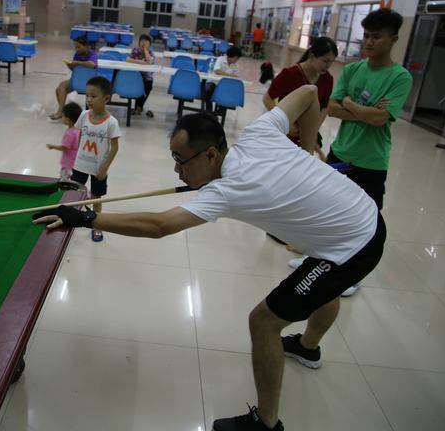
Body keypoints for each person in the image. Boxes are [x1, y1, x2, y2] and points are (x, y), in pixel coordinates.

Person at [33, 85, 386, 431]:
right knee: (324, 284)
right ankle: (308, 348)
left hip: (352, 245)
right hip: (362, 214)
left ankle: (266, 423)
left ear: (211, 155)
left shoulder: (227, 190)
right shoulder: (259, 133)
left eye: (180, 161)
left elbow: (159, 226)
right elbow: (308, 93)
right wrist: (307, 150)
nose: (177, 172)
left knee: (264, 322)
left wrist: (87, 218)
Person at [288, 8, 412, 297]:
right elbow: (332, 108)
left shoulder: (400, 77)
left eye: (376, 37)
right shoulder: (353, 70)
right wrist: (365, 110)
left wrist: (351, 105)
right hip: (340, 153)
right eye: (366, 36)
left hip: (371, 161)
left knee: (363, 221)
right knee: (327, 210)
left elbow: (380, 119)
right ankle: (315, 259)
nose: (368, 42)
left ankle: (352, 275)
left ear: (393, 39)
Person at [264, 36, 337, 160]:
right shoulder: (289, 74)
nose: (328, 66)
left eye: (331, 62)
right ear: (312, 56)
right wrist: (285, 123)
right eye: (325, 61)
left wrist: (313, 129)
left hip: (306, 138)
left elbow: (324, 107)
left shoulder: (327, 79)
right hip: (285, 134)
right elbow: (267, 99)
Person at [70, 76, 121, 243]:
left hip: (99, 168)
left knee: (96, 197)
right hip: (80, 164)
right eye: (87, 96)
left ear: (106, 98)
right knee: (75, 191)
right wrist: (76, 156)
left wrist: (104, 167)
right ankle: (73, 217)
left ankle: (97, 224)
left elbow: (115, 147)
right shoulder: (84, 115)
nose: (89, 100)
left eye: (93, 96)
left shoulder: (111, 122)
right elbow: (79, 136)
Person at [50, 36, 97, 120]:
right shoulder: (77, 54)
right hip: (77, 79)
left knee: (61, 88)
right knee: (60, 88)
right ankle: (61, 112)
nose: (77, 49)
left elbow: (92, 64)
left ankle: (60, 112)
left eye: (79, 47)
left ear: (86, 46)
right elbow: (74, 70)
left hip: (89, 81)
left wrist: (78, 63)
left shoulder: (92, 54)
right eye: (75, 47)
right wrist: (70, 65)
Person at [46, 101, 82, 181]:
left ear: (68, 119)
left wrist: (53, 146)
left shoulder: (70, 133)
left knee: (64, 180)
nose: (61, 118)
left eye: (62, 116)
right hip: (76, 161)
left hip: (68, 163)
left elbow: (64, 147)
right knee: (74, 180)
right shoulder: (79, 130)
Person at [125, 33, 155, 118]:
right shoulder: (135, 50)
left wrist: (145, 50)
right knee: (137, 85)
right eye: (142, 41)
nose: (143, 44)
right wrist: (140, 62)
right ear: (139, 42)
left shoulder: (150, 53)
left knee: (148, 85)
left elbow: (150, 61)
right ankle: (138, 108)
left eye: (146, 42)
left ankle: (139, 107)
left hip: (146, 77)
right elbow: (128, 59)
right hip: (135, 76)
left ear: (149, 44)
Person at [204, 46, 242, 113]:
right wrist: (230, 75)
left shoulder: (236, 65)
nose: (237, 60)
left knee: (229, 94)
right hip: (214, 82)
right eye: (237, 58)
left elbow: (236, 77)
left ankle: (218, 112)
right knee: (208, 90)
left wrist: (232, 76)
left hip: (225, 85)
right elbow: (217, 71)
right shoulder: (221, 59)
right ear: (232, 56)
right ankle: (209, 111)